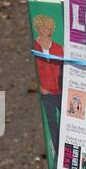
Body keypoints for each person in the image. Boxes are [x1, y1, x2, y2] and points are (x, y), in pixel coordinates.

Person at [32, 14, 63, 152]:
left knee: (66, 119)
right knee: (51, 122)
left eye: (50, 29)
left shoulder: (58, 48)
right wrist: (40, 87)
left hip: (60, 91)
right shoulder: (34, 47)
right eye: (44, 28)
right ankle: (57, 150)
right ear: (38, 29)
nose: (47, 31)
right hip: (46, 92)